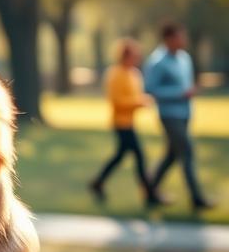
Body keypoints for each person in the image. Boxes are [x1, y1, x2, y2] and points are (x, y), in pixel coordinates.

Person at [143, 21, 214, 212]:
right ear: (168, 38)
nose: (184, 40)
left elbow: (186, 85)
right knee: (187, 151)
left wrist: (189, 93)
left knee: (172, 155)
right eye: (179, 36)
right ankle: (197, 198)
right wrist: (179, 93)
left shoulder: (184, 58)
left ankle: (149, 189)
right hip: (169, 115)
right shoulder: (157, 62)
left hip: (184, 114)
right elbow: (150, 90)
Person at [88, 39, 166, 209]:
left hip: (130, 122)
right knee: (139, 156)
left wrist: (142, 100)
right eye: (134, 56)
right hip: (120, 123)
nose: (137, 59)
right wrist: (139, 103)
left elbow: (135, 95)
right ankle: (150, 194)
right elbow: (117, 101)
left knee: (120, 156)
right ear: (124, 56)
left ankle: (98, 182)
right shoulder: (115, 74)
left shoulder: (134, 74)